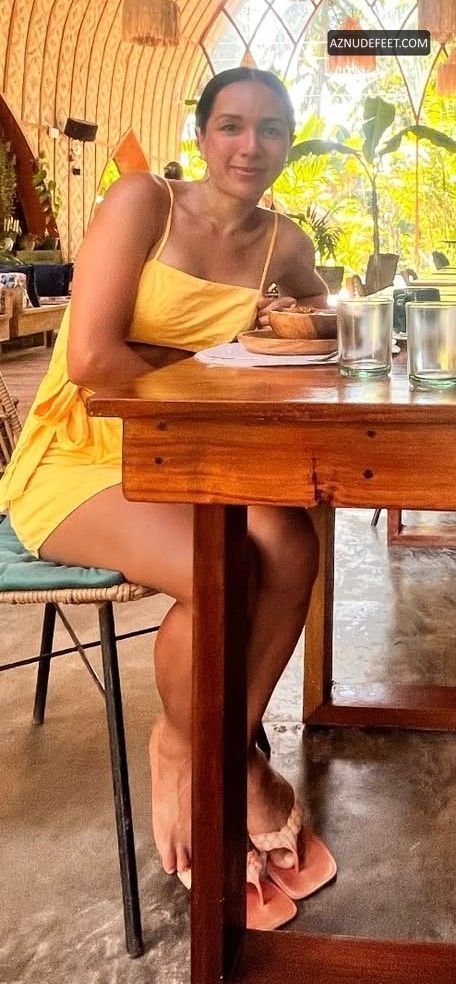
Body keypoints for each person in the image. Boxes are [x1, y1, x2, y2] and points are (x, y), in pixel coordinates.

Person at [0, 67, 334, 916]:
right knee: (222, 570)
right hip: (80, 451)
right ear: (202, 134)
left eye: (270, 129)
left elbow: (320, 307)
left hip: (186, 449)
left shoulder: (283, 242)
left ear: (288, 143)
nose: (250, 146)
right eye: (231, 126)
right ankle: (214, 763)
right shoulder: (144, 202)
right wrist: (200, 364)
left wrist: (273, 325)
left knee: (294, 542)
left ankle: (210, 751)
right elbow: (93, 359)